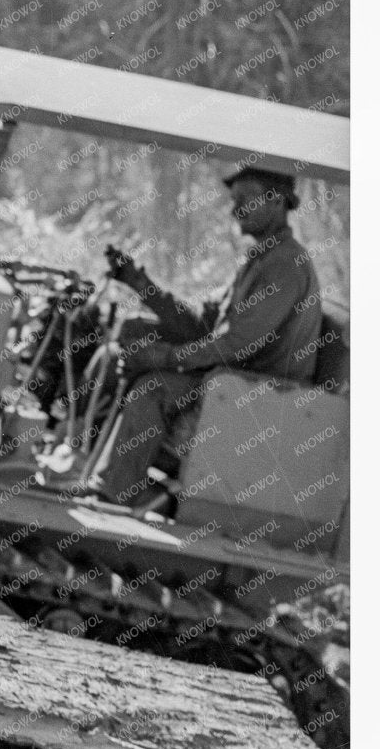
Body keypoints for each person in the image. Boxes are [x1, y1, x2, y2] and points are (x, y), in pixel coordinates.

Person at [97, 165, 322, 507]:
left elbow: (236, 343)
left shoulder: (285, 264)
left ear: (277, 201)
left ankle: (119, 495)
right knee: (133, 333)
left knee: (155, 386)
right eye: (234, 200)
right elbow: (204, 325)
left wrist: (165, 357)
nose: (235, 210)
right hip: (232, 380)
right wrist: (142, 286)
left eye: (245, 199)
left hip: (263, 394)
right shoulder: (261, 257)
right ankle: (99, 467)